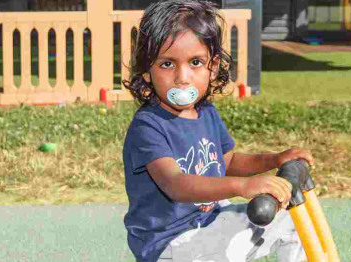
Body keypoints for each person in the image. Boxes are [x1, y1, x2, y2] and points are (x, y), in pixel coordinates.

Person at [120, 1, 315, 261]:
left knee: (293, 225)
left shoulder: (206, 113)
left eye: (195, 62)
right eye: (167, 64)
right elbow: (175, 184)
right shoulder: (149, 126)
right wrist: (242, 186)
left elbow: (228, 161)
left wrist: (275, 159)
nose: (182, 77)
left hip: (209, 222)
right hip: (171, 241)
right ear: (146, 72)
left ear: (212, 67)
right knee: (229, 249)